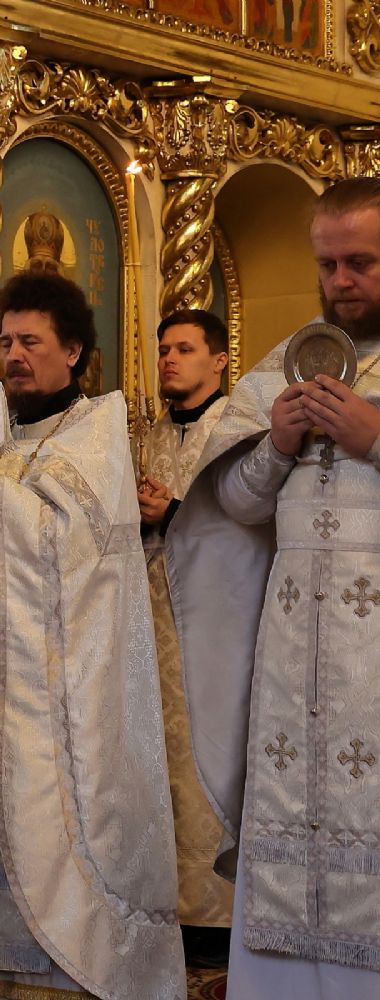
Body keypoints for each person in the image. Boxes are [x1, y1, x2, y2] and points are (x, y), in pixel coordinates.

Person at [0, 272, 183, 999]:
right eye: (5, 342)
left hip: (60, 687)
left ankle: (62, 965)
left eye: (30, 341)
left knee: (44, 817)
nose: (13, 356)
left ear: (73, 350)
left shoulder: (95, 434)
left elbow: (71, 549)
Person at [166, 177, 380, 998]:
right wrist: (277, 445)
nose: (341, 282)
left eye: (360, 262)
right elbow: (236, 505)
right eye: (328, 265)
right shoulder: (284, 364)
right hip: (292, 660)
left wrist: (374, 438)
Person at [138, 309, 234, 965]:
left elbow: (249, 523)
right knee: (156, 762)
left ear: (219, 360)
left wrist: (173, 511)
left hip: (214, 624)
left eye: (185, 349)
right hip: (147, 620)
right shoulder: (144, 436)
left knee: (207, 759)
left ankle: (216, 914)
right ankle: (162, 906)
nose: (169, 359)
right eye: (164, 349)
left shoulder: (239, 432)